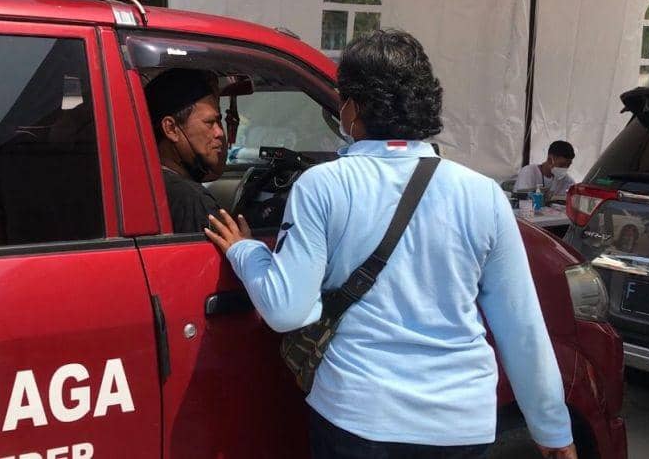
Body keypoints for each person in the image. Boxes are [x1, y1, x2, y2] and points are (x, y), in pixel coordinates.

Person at [205, 30, 576, 459]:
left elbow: (288, 310)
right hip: (460, 424)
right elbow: (522, 325)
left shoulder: (322, 186)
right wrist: (552, 429)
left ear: (352, 108)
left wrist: (245, 250)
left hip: (358, 417)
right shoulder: (483, 194)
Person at [144, 68, 227, 233]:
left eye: (219, 122)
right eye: (210, 122)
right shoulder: (192, 200)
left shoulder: (148, 183)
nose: (220, 132)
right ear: (171, 129)